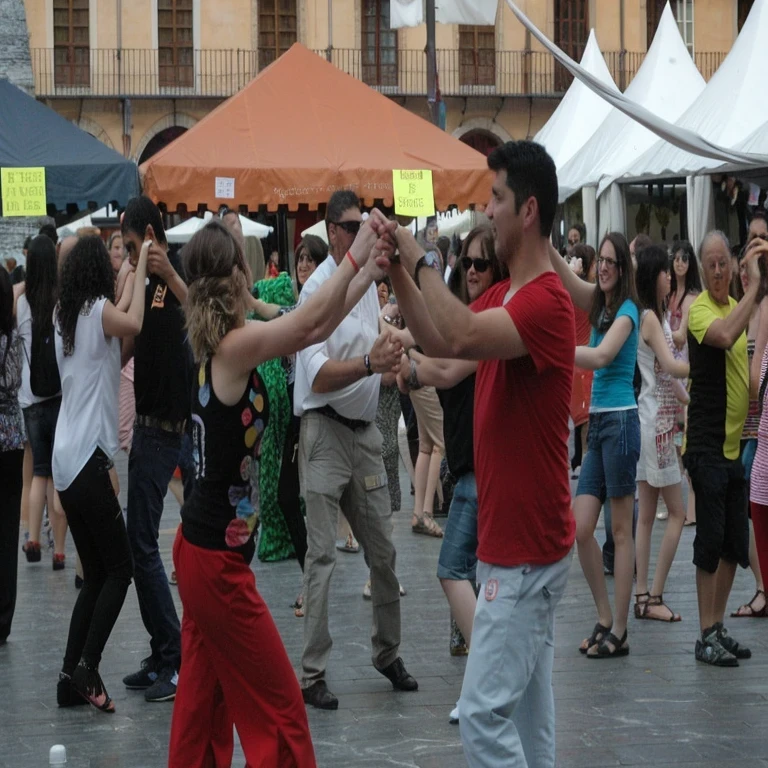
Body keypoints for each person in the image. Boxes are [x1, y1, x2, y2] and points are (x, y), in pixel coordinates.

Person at [380, 140, 575, 767]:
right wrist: (400, 275)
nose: (486, 210)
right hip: (516, 546)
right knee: (527, 723)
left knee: (482, 721)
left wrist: (418, 257)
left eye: (496, 199)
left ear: (529, 211)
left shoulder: (545, 301)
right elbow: (442, 344)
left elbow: (457, 335)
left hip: (524, 551)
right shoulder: (505, 296)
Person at [168, 216, 389, 766]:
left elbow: (312, 317)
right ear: (240, 273)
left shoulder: (221, 335)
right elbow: (308, 327)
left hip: (202, 554)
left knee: (202, 704)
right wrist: (356, 254)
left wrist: (366, 275)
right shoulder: (235, 346)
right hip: (215, 566)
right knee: (280, 707)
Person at [295, 190, 416, 711]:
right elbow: (317, 376)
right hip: (323, 435)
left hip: (364, 433)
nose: (367, 235)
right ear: (335, 232)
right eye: (356, 226)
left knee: (383, 553)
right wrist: (370, 364)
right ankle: (313, 673)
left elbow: (377, 337)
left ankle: (387, 652)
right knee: (321, 557)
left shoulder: (366, 285)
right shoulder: (317, 293)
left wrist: (396, 354)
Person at [396, 224, 504, 724]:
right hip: (471, 469)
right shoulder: (469, 316)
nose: (475, 271)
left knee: (451, 569)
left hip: (482, 471)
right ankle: (488, 680)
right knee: (478, 581)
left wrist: (410, 368)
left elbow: (446, 367)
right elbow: (434, 340)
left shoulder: (487, 321)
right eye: (469, 263)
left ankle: (490, 677)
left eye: (484, 263)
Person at [53, 235, 148, 711]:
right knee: (120, 569)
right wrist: (145, 264)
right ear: (97, 271)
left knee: (94, 575)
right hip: (90, 459)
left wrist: (132, 271)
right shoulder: (96, 312)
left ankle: (68, 677)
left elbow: (110, 351)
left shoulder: (64, 316)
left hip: (65, 462)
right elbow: (131, 319)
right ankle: (89, 667)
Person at [550, 232, 640, 659]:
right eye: (599, 259)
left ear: (622, 268)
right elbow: (567, 278)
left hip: (621, 422)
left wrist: (556, 351)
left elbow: (602, 356)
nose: (601, 266)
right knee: (580, 527)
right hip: (602, 424)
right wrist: (542, 240)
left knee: (620, 533)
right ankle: (605, 617)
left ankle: (619, 630)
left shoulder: (626, 311)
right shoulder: (599, 303)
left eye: (609, 261)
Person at [119, 196, 192, 702]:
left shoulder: (179, 266)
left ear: (149, 232)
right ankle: (164, 648)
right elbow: (126, 338)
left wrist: (170, 274)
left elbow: (213, 317)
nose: (125, 254)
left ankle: (177, 655)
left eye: (128, 244)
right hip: (147, 428)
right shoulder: (137, 277)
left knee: (197, 543)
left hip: (182, 427)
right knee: (139, 544)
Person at [684, 230, 765, 666]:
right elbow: (727, 337)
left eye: (723, 264)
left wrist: (753, 292)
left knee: (735, 543)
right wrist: (757, 290)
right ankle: (703, 634)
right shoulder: (700, 311)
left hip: (733, 446)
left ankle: (715, 626)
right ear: (702, 268)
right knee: (711, 541)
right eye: (711, 264)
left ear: (732, 267)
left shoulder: (737, 305)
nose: (718, 271)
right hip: (706, 444)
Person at [633, 246, 690, 623]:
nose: (671, 276)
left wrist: (689, 401)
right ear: (655, 274)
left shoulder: (656, 317)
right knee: (678, 512)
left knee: (648, 514)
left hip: (655, 420)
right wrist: (708, 371)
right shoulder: (651, 318)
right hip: (657, 426)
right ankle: (653, 594)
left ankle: (642, 596)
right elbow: (671, 366)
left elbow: (668, 374)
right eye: (667, 271)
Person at [16, 235, 68, 569]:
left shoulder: (20, 303)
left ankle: (33, 538)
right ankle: (60, 550)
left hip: (29, 400)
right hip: (59, 397)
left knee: (38, 472)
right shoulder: (61, 302)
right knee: (56, 475)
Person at [668, 240, 702, 526]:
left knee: (686, 439)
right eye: (676, 258)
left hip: (687, 373)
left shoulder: (692, 297)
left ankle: (691, 502)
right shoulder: (668, 293)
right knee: (675, 438)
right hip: (669, 375)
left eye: (684, 258)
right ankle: (679, 500)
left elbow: (680, 336)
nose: (679, 262)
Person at [0, 268, 24, 646]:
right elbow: (16, 382)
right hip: (11, 439)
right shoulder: (14, 339)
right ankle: (4, 617)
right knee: (7, 530)